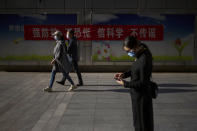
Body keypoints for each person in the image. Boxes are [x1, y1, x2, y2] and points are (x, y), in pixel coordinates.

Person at [115, 36, 154, 131]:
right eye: (126, 51)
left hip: (142, 98)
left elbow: (142, 83)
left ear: (135, 47)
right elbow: (134, 69)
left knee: (142, 124)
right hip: (137, 96)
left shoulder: (144, 59)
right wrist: (124, 74)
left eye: (129, 51)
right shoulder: (140, 53)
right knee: (137, 122)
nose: (128, 53)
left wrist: (125, 84)